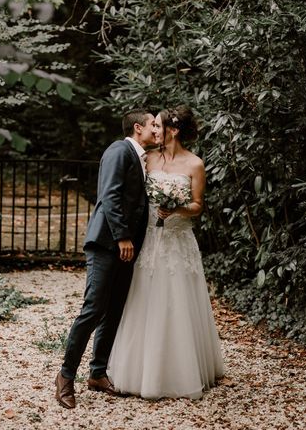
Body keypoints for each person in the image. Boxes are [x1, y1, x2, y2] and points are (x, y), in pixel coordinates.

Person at [107, 104, 225, 399]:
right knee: (145, 300)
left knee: (178, 302)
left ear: (173, 130)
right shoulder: (147, 159)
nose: (154, 130)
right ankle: (140, 370)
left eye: (158, 126)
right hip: (149, 239)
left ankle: (181, 372)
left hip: (178, 240)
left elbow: (198, 206)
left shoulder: (194, 164)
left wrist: (177, 208)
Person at [55, 109, 158, 409]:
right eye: (153, 124)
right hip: (106, 243)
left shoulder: (141, 158)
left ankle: (97, 373)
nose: (157, 128)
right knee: (93, 309)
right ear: (138, 128)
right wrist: (122, 236)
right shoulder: (118, 149)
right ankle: (65, 376)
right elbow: (110, 195)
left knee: (114, 311)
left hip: (127, 248)